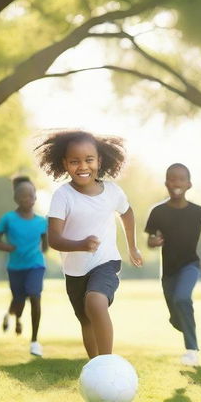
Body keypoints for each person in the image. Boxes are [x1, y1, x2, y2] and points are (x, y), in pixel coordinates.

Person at [36, 130, 143, 358]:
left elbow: (127, 213)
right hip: (75, 271)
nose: (82, 166)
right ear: (64, 163)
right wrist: (81, 245)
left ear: (99, 161)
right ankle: (95, 365)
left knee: (95, 303)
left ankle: (107, 362)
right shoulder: (62, 196)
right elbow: (54, 239)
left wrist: (132, 246)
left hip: (106, 262)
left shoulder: (112, 191)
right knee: (85, 320)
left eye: (89, 160)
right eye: (74, 161)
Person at [145, 163, 201, 367]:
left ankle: (191, 350)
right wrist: (153, 242)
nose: (176, 183)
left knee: (182, 298)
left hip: (190, 265)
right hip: (168, 271)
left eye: (181, 179)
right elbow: (150, 240)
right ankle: (182, 323)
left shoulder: (198, 211)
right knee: (176, 316)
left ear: (189, 184)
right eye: (172, 179)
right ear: (166, 183)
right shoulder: (158, 212)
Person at [0, 175, 48, 356]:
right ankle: (14, 318)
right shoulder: (8, 219)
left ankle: (34, 341)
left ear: (35, 198)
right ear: (16, 198)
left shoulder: (42, 222)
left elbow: (46, 245)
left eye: (30, 196)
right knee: (18, 300)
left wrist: (38, 251)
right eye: (23, 196)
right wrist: (8, 247)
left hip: (36, 265)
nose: (27, 199)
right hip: (15, 267)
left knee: (35, 295)